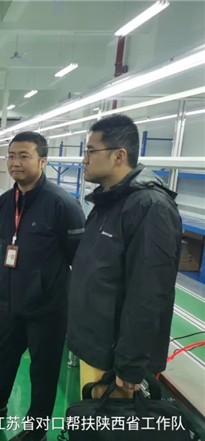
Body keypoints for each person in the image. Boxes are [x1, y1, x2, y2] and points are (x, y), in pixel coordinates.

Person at [0, 131, 86, 441]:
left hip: (47, 306)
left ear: (43, 161)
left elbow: (79, 259)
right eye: (11, 155)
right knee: (4, 355)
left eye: (24, 156)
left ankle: (36, 429)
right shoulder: (6, 202)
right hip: (10, 299)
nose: (15, 162)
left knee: (43, 369)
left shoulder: (63, 205)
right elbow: (7, 242)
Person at [68, 114, 182, 399]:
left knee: (110, 424)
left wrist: (130, 364)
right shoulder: (108, 202)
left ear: (119, 156)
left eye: (91, 151)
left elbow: (149, 293)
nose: (84, 160)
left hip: (115, 361)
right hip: (96, 346)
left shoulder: (150, 207)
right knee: (90, 420)